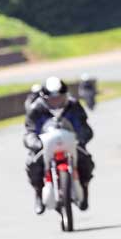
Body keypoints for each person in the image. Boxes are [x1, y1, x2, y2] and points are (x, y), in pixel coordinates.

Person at [23, 77, 95, 215]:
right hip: (45, 146)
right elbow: (29, 131)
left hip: (71, 143)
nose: (56, 102)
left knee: (86, 160)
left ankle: (84, 189)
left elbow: (85, 127)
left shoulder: (74, 106)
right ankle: (38, 193)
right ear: (45, 98)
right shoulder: (36, 108)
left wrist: (81, 138)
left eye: (60, 98)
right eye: (52, 99)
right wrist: (35, 143)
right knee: (33, 163)